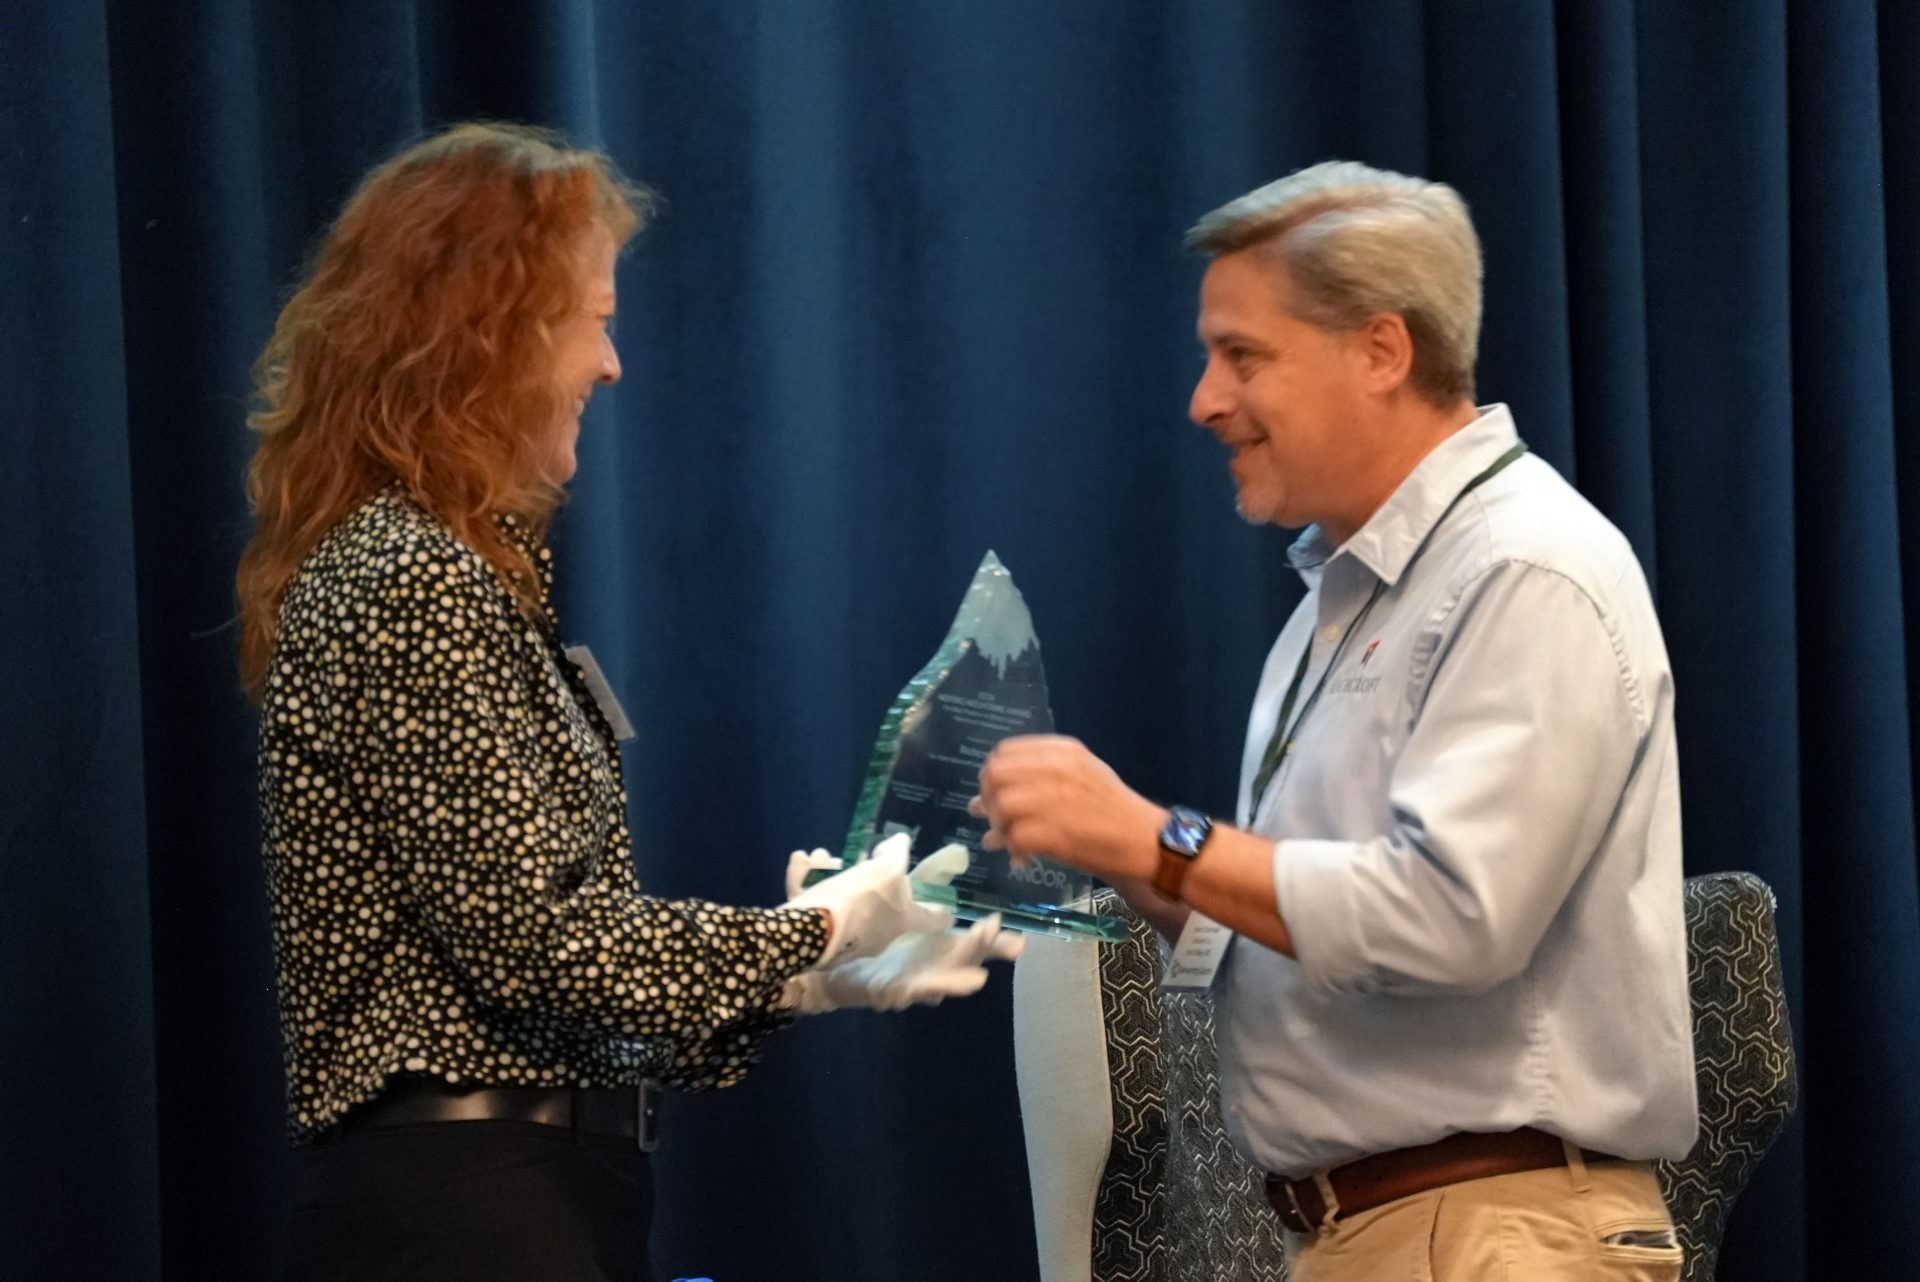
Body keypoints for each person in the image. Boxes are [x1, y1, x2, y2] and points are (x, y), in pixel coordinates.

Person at [237, 122, 1018, 1282]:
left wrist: (798, 981)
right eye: (595, 320)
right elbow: (533, 949)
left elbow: (532, 971)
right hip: (461, 1218)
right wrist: (813, 931)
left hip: (527, 1198)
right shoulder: (408, 576)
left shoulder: (459, 575)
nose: (613, 365)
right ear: (488, 331)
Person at [974, 161, 1696, 1279]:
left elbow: (1448, 917)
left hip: (1500, 1238)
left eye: (1243, 354)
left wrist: (1151, 834)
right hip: (1375, 1236)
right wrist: (1115, 856)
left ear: (1382, 350)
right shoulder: (1341, 603)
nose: (1203, 399)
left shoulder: (1525, 569)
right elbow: (1297, 946)